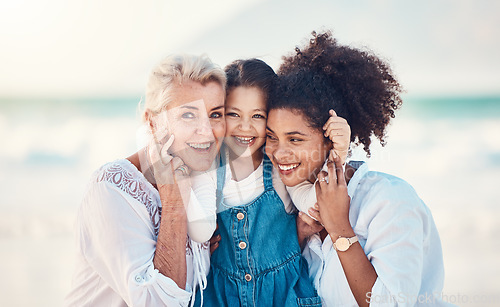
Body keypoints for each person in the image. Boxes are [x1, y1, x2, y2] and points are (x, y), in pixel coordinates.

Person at [265, 31, 453, 306]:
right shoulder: (290, 204)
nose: (279, 152)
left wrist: (341, 230)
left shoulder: (390, 202)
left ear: (331, 138)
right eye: (271, 137)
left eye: (295, 139)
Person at [64, 54, 226, 306]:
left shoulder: (201, 187)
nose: (207, 131)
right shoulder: (110, 190)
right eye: (188, 115)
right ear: (153, 122)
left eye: (215, 115)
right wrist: (174, 203)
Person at [194, 58, 351, 306]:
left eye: (257, 115)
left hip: (284, 295)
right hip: (223, 297)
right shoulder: (209, 168)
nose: (245, 127)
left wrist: (338, 154)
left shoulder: (280, 170)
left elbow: (315, 201)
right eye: (234, 114)